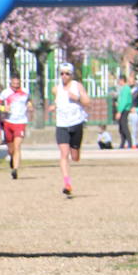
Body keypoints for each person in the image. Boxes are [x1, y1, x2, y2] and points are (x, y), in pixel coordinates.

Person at [48, 62, 88, 196]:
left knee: (75, 156)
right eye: (62, 73)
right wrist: (53, 106)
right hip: (62, 124)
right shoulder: (56, 89)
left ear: (72, 75)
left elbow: (87, 102)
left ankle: (76, 149)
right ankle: (67, 183)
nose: (64, 76)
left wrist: (77, 97)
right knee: (64, 154)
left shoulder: (77, 86)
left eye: (67, 73)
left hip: (76, 122)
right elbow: (58, 101)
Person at [0, 73, 32, 179]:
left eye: (18, 83)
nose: (16, 86)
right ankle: (12, 158)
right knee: (11, 149)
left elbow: (29, 101)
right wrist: (3, 108)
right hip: (8, 121)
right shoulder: (5, 93)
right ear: (10, 82)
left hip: (20, 122)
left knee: (17, 146)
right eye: (14, 83)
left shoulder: (25, 92)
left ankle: (15, 170)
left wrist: (30, 106)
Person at [115, 75, 134, 148]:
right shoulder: (124, 89)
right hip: (122, 109)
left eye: (119, 80)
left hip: (124, 110)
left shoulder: (126, 89)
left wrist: (119, 111)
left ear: (122, 80)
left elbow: (124, 101)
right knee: (121, 127)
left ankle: (130, 143)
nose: (118, 82)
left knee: (124, 126)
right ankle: (122, 143)